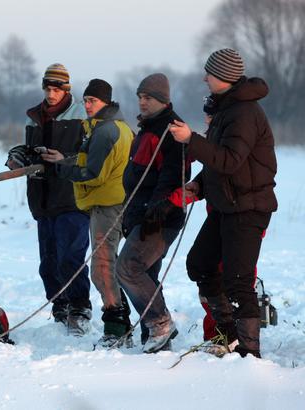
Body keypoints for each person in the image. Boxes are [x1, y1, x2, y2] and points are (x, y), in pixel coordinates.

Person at [170, 48, 277, 358]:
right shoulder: (226, 110)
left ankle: (249, 353)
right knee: (200, 264)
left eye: (210, 73)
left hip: (248, 207)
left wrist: (191, 138)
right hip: (227, 205)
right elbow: (220, 164)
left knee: (238, 281)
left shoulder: (244, 113)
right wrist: (199, 185)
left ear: (224, 77)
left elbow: (230, 161)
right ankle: (227, 334)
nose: (205, 78)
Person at [44, 79, 133, 347]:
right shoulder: (115, 128)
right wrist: (67, 160)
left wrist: (61, 167)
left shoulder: (106, 131)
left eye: (93, 101)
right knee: (112, 266)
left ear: (106, 102)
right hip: (109, 204)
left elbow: (92, 173)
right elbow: (91, 162)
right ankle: (123, 325)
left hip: (108, 206)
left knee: (102, 269)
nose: (88, 105)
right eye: (85, 100)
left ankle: (117, 329)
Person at [5, 63, 92, 335]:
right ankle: (59, 306)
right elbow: (30, 150)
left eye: (57, 89)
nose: (51, 94)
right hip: (42, 199)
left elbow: (92, 156)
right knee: (49, 262)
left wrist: (64, 159)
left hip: (72, 197)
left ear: (66, 89)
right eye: (48, 88)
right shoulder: (34, 117)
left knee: (71, 256)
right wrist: (19, 155)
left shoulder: (82, 116)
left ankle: (79, 307)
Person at [115, 73, 191, 353]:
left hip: (159, 216)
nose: (142, 102)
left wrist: (158, 206)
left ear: (162, 100)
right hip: (139, 213)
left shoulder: (171, 131)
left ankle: (160, 323)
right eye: (140, 97)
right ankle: (157, 339)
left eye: (148, 97)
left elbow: (174, 174)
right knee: (146, 274)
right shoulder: (147, 129)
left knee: (128, 268)